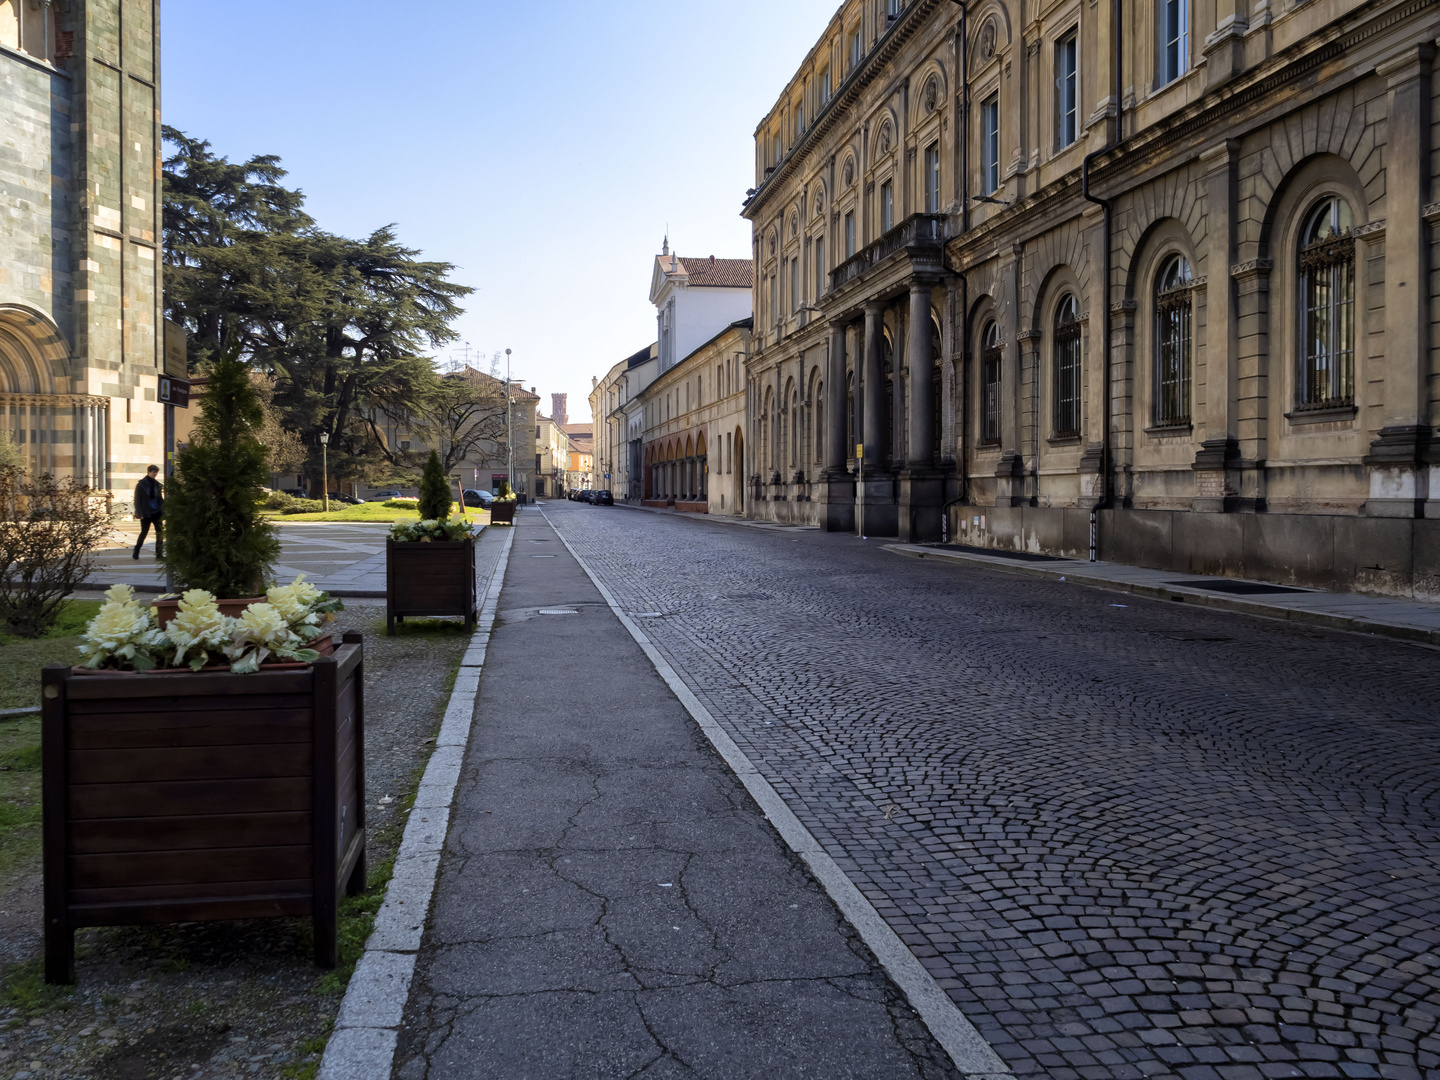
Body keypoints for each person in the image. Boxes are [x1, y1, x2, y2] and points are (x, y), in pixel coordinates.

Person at [133, 465, 164, 559]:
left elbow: (160, 498)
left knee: (160, 533)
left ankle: (159, 554)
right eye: (153, 472)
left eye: (156, 472)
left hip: (157, 512)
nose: (155, 474)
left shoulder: (157, 485)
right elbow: (137, 499)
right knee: (144, 533)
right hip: (146, 513)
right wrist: (139, 512)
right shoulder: (141, 484)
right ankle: (136, 550)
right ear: (149, 472)